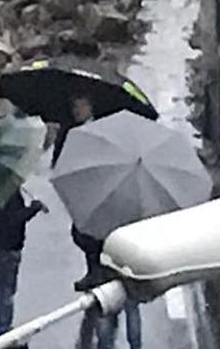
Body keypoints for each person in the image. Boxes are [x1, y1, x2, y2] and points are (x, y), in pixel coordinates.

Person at [57, 93, 142, 349]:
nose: (76, 111)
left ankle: (111, 342)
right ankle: (131, 342)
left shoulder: (100, 138)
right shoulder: (131, 187)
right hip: (119, 241)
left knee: (114, 299)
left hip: (107, 241)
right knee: (129, 299)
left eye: (79, 106)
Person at [0, 188, 49, 337]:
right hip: (8, 244)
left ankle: (0, 323)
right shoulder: (9, 194)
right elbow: (15, 219)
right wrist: (33, 208)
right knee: (6, 288)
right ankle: (3, 327)